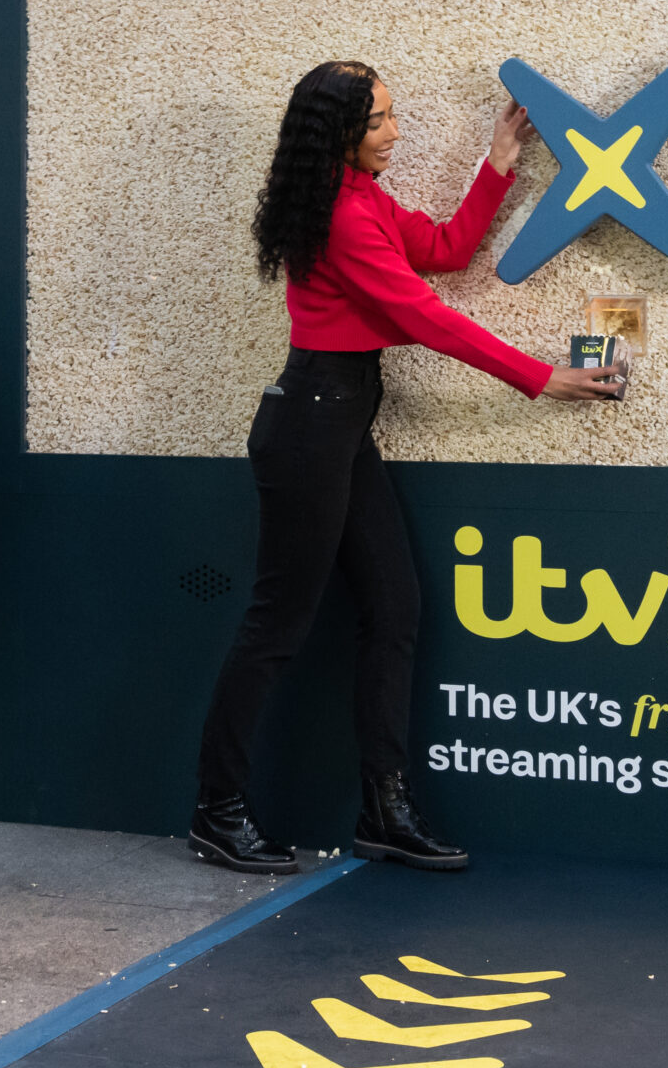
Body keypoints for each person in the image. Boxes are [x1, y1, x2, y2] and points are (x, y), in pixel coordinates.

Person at [191, 62, 619, 877]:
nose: (396, 131)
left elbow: (449, 252)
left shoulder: (364, 199)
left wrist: (498, 159)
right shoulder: (343, 218)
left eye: (393, 115)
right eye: (380, 120)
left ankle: (385, 811)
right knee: (277, 625)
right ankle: (217, 810)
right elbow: (423, 316)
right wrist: (539, 375)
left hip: (344, 421)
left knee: (395, 606)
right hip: (311, 424)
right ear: (339, 134)